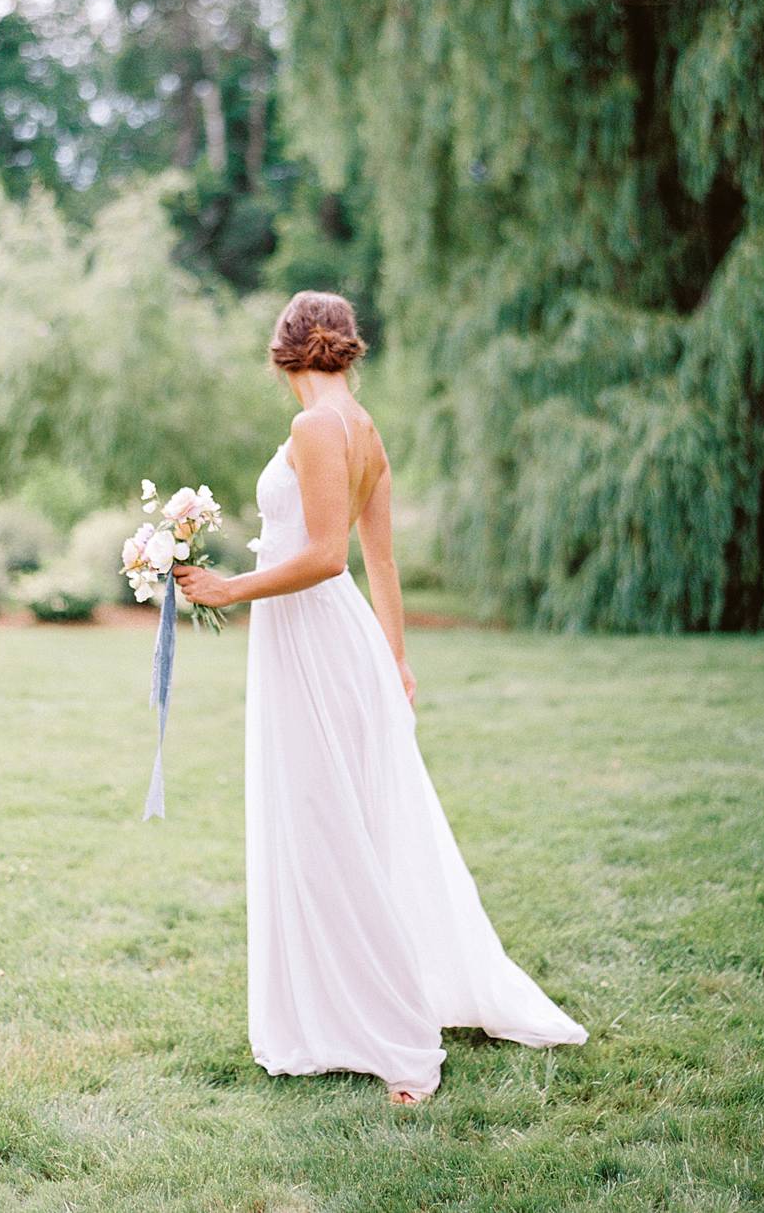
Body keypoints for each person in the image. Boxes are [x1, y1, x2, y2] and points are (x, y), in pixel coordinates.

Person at [174, 289, 587, 1105]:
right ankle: (338, 1011)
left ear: (282, 354)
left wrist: (228, 589)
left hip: (316, 641)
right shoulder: (363, 428)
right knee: (340, 819)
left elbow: (329, 557)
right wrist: (396, 660)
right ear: (349, 349)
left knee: (329, 826)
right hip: (339, 642)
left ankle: (398, 1038)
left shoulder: (313, 427)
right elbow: (382, 566)